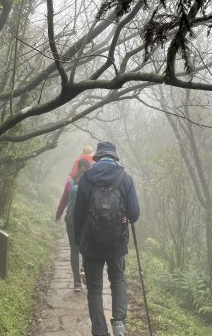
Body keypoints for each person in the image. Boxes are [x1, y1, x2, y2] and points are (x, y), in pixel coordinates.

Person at [73, 141, 140, 336]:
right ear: (114, 157)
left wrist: (79, 240)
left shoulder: (87, 178)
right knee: (117, 280)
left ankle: (100, 332)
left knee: (94, 289)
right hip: (117, 243)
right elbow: (134, 214)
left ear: (98, 158)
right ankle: (119, 325)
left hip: (91, 244)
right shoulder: (125, 178)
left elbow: (78, 214)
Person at [56, 157, 91, 290]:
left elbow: (64, 199)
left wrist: (58, 213)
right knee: (86, 250)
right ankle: (85, 273)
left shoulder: (70, 182)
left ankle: (77, 282)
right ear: (88, 168)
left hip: (71, 220)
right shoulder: (90, 182)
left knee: (74, 249)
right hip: (86, 222)